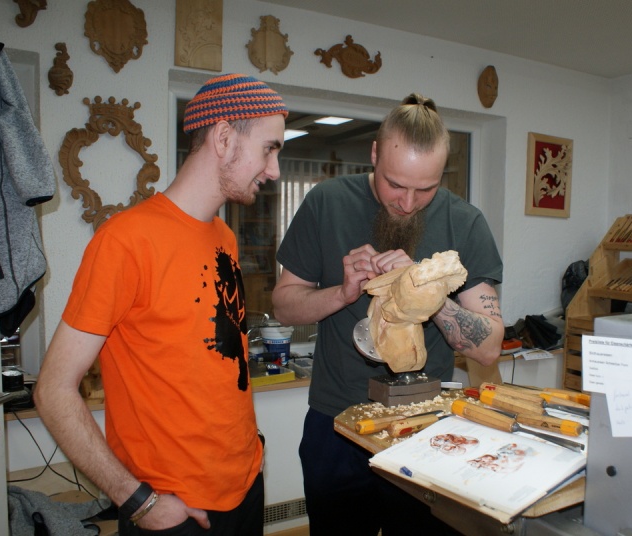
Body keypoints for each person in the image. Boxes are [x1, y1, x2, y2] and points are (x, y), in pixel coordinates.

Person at [34, 74, 288, 535]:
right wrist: (137, 500)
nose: (274, 170)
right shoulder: (125, 241)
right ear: (224, 138)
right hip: (173, 510)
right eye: (269, 149)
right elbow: (52, 390)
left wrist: (249, 449)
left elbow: (214, 364)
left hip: (245, 487)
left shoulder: (225, 237)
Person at [272, 93, 504, 535]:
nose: (409, 203)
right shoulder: (326, 202)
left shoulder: (465, 223)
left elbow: (489, 347)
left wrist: (427, 292)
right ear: (375, 155)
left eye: (426, 189)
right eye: (395, 184)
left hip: (424, 427)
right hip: (336, 424)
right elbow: (283, 306)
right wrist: (341, 294)